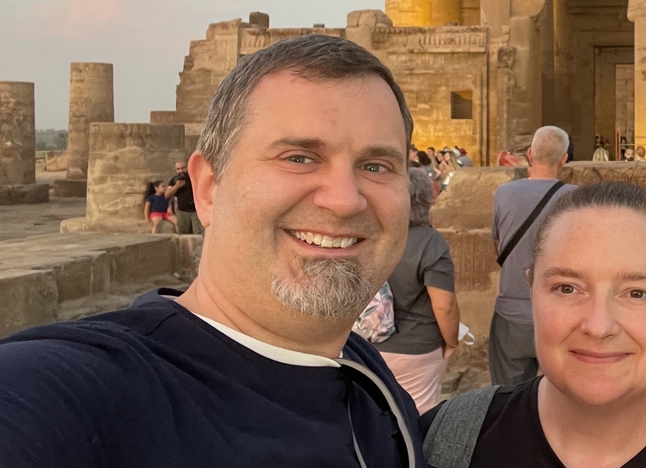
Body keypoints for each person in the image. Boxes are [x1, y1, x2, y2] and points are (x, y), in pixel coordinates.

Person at [0, 34, 425, 467]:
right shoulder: (76, 393)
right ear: (207, 188)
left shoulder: (369, 377)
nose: (345, 200)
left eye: (376, 166)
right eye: (298, 158)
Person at [421, 182, 646, 468]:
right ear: (532, 294)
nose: (598, 326)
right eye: (567, 288)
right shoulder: (433, 444)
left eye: (637, 293)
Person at [489, 126, 577, 385]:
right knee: (563, 393)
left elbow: (498, 245)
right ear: (563, 159)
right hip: (560, 314)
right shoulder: (576, 198)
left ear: (530, 154)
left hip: (511, 312)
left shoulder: (504, 193)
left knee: (508, 395)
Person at [378, 167, 459, 414]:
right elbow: (444, 305)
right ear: (426, 199)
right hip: (417, 347)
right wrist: (452, 341)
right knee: (419, 417)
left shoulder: (373, 236)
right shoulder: (430, 242)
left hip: (370, 342)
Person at [167, 160, 203, 234]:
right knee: (183, 234)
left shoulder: (195, 177)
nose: (181, 171)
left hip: (196, 211)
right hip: (182, 211)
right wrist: (177, 186)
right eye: (178, 169)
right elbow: (167, 195)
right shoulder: (174, 180)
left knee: (198, 234)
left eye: (183, 168)